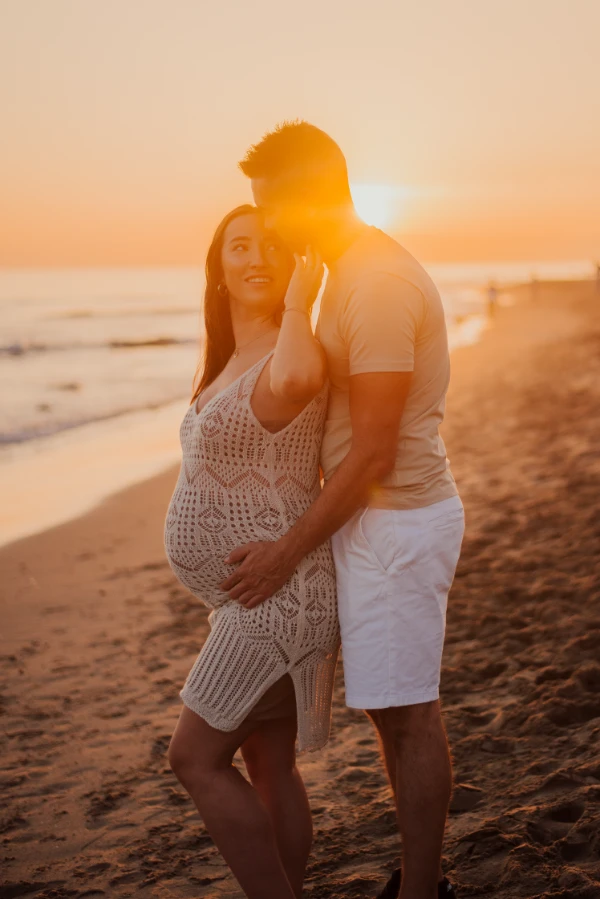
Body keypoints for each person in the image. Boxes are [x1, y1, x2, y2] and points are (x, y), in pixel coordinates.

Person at [221, 123, 465, 899]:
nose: (272, 228)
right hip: (372, 523)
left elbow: (373, 452)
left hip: (396, 521)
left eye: (275, 207)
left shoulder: (378, 283)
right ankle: (419, 880)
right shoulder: (343, 271)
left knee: (410, 713)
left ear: (310, 194)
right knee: (391, 712)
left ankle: (423, 891)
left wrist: (286, 551)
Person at [165, 204, 340, 899]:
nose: (257, 257)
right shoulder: (227, 356)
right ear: (219, 268)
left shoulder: (289, 348)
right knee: (270, 765)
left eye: (271, 246)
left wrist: (303, 299)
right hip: (251, 597)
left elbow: (298, 381)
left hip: (280, 595)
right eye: (240, 246)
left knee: (193, 758)